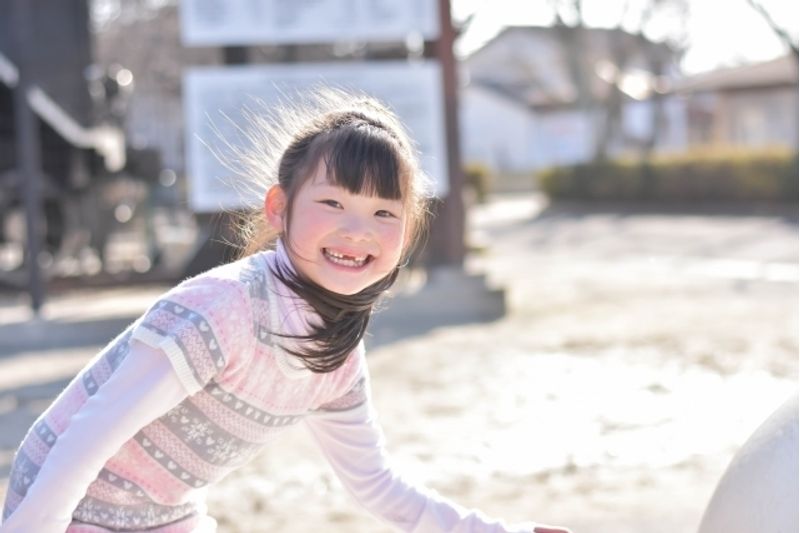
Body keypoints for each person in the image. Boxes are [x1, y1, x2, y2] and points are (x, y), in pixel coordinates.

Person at [1, 89, 572, 533]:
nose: (357, 230)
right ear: (279, 207)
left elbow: (375, 485)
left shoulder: (336, 351)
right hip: (66, 506)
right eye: (332, 203)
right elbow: (88, 437)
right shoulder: (221, 310)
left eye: (384, 213)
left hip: (161, 515)